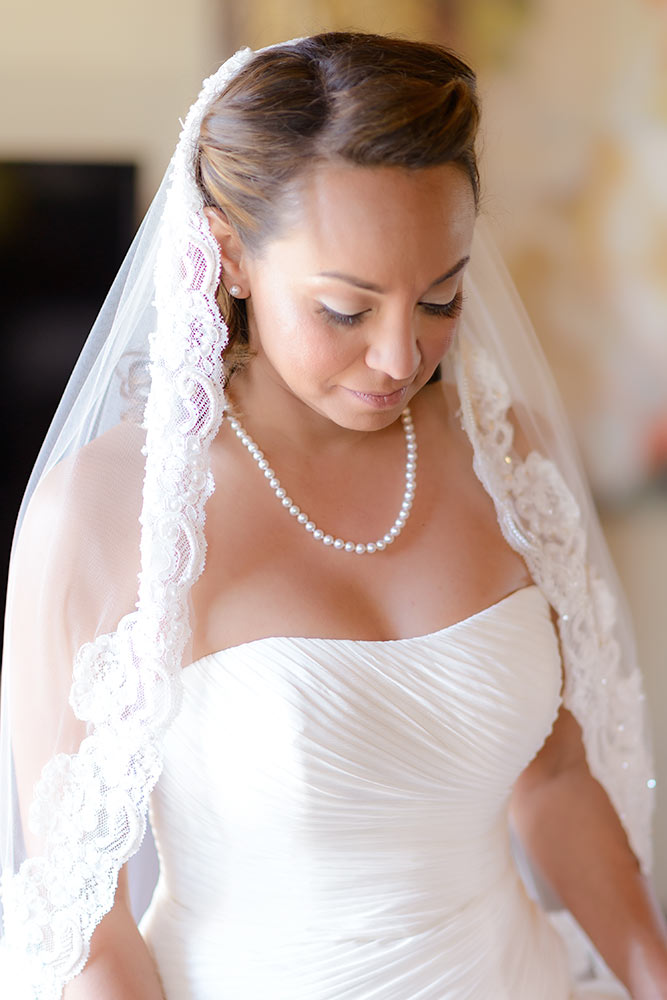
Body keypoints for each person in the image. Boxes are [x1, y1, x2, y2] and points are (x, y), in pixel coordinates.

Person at [0, 30, 665, 1000]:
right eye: (347, 311)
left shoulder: (506, 453)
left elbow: (556, 777)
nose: (400, 357)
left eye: (440, 297)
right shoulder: (99, 517)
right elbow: (83, 934)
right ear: (228, 253)